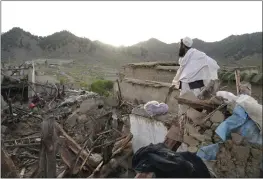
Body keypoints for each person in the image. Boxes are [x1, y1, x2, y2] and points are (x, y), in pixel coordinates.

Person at [170, 37, 220, 114]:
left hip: (194, 86)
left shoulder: (197, 54)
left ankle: (192, 122)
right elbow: (181, 70)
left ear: (183, 45)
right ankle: (183, 122)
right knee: (183, 106)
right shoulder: (184, 57)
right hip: (184, 85)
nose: (179, 46)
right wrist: (175, 81)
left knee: (195, 107)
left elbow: (213, 63)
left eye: (180, 45)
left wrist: (208, 76)